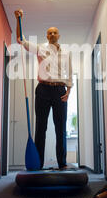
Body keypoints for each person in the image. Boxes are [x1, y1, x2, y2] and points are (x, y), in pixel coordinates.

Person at [14, 9, 73, 170]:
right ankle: (38, 164)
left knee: (61, 127)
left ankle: (62, 163)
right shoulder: (40, 48)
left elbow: (69, 74)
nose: (52, 35)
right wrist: (18, 19)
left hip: (60, 91)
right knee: (41, 126)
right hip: (43, 90)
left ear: (59, 35)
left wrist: (68, 92)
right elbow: (21, 40)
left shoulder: (67, 53)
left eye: (55, 32)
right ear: (47, 36)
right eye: (49, 33)